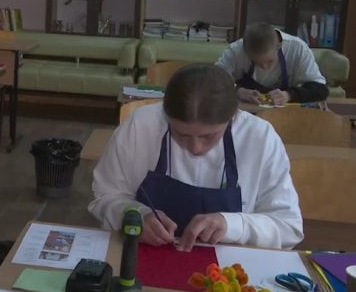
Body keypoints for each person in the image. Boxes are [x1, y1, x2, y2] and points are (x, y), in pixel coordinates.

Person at [88, 64, 303, 251]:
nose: (196, 148)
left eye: (209, 136)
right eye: (181, 134)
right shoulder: (140, 126)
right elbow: (106, 198)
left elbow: (288, 227)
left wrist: (232, 225)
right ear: (166, 115)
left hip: (228, 270)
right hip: (145, 255)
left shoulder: (260, 138)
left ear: (233, 117)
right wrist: (136, 216)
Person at [215, 22, 329, 106]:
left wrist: (289, 95)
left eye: (269, 61)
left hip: (286, 114)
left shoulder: (297, 48)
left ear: (279, 45)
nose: (265, 67)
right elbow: (212, 82)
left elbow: (320, 90)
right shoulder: (236, 50)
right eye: (257, 62)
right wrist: (237, 91)